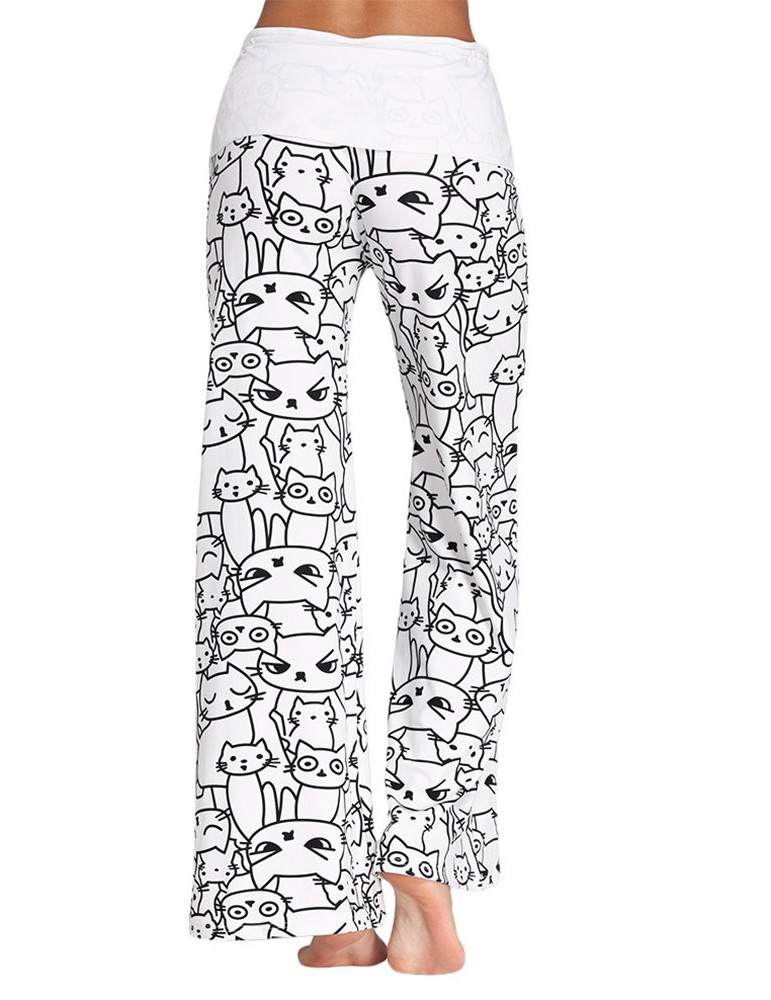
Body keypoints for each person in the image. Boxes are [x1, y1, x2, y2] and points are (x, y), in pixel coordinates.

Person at [189, 0, 528, 974]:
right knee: (470, 497)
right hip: (445, 126)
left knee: (270, 505)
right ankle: (425, 844)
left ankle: (315, 892)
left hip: (278, 115)